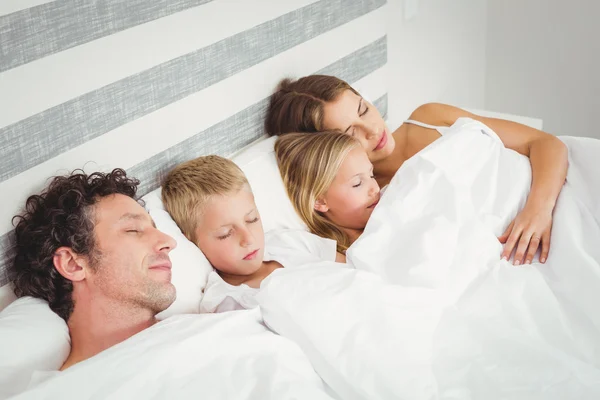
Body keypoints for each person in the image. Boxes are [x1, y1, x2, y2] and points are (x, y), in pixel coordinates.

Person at [265, 75, 569, 265]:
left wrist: (538, 210)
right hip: (523, 248)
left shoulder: (428, 116)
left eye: (363, 108)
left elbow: (545, 143)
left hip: (555, 192)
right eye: (350, 132)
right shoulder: (369, 204)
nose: (373, 129)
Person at [10, 169, 177, 370]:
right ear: (72, 264)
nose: (169, 241)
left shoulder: (209, 330)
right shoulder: (65, 391)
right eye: (133, 230)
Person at [161, 155, 345, 313]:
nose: (248, 239)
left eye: (252, 219)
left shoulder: (288, 241)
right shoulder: (226, 301)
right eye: (225, 234)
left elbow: (353, 272)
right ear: (192, 240)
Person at [275, 131, 378, 254]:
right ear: (320, 201)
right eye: (357, 183)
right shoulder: (338, 255)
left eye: (372, 175)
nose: (375, 188)